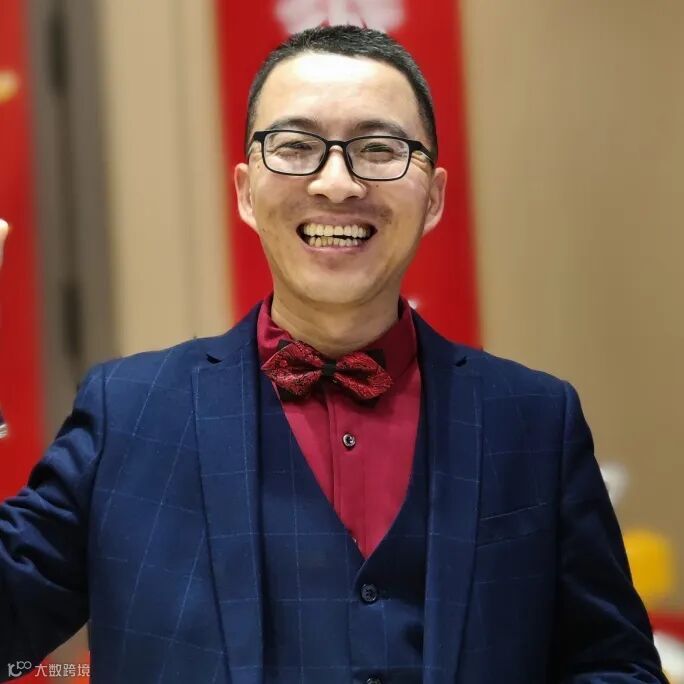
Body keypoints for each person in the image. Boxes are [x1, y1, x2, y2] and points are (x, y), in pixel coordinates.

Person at [0, 25, 666, 684]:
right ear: (245, 192)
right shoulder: (129, 413)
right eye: (295, 146)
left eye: (378, 149)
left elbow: (613, 665)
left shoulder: (535, 420)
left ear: (433, 197)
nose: (337, 183)